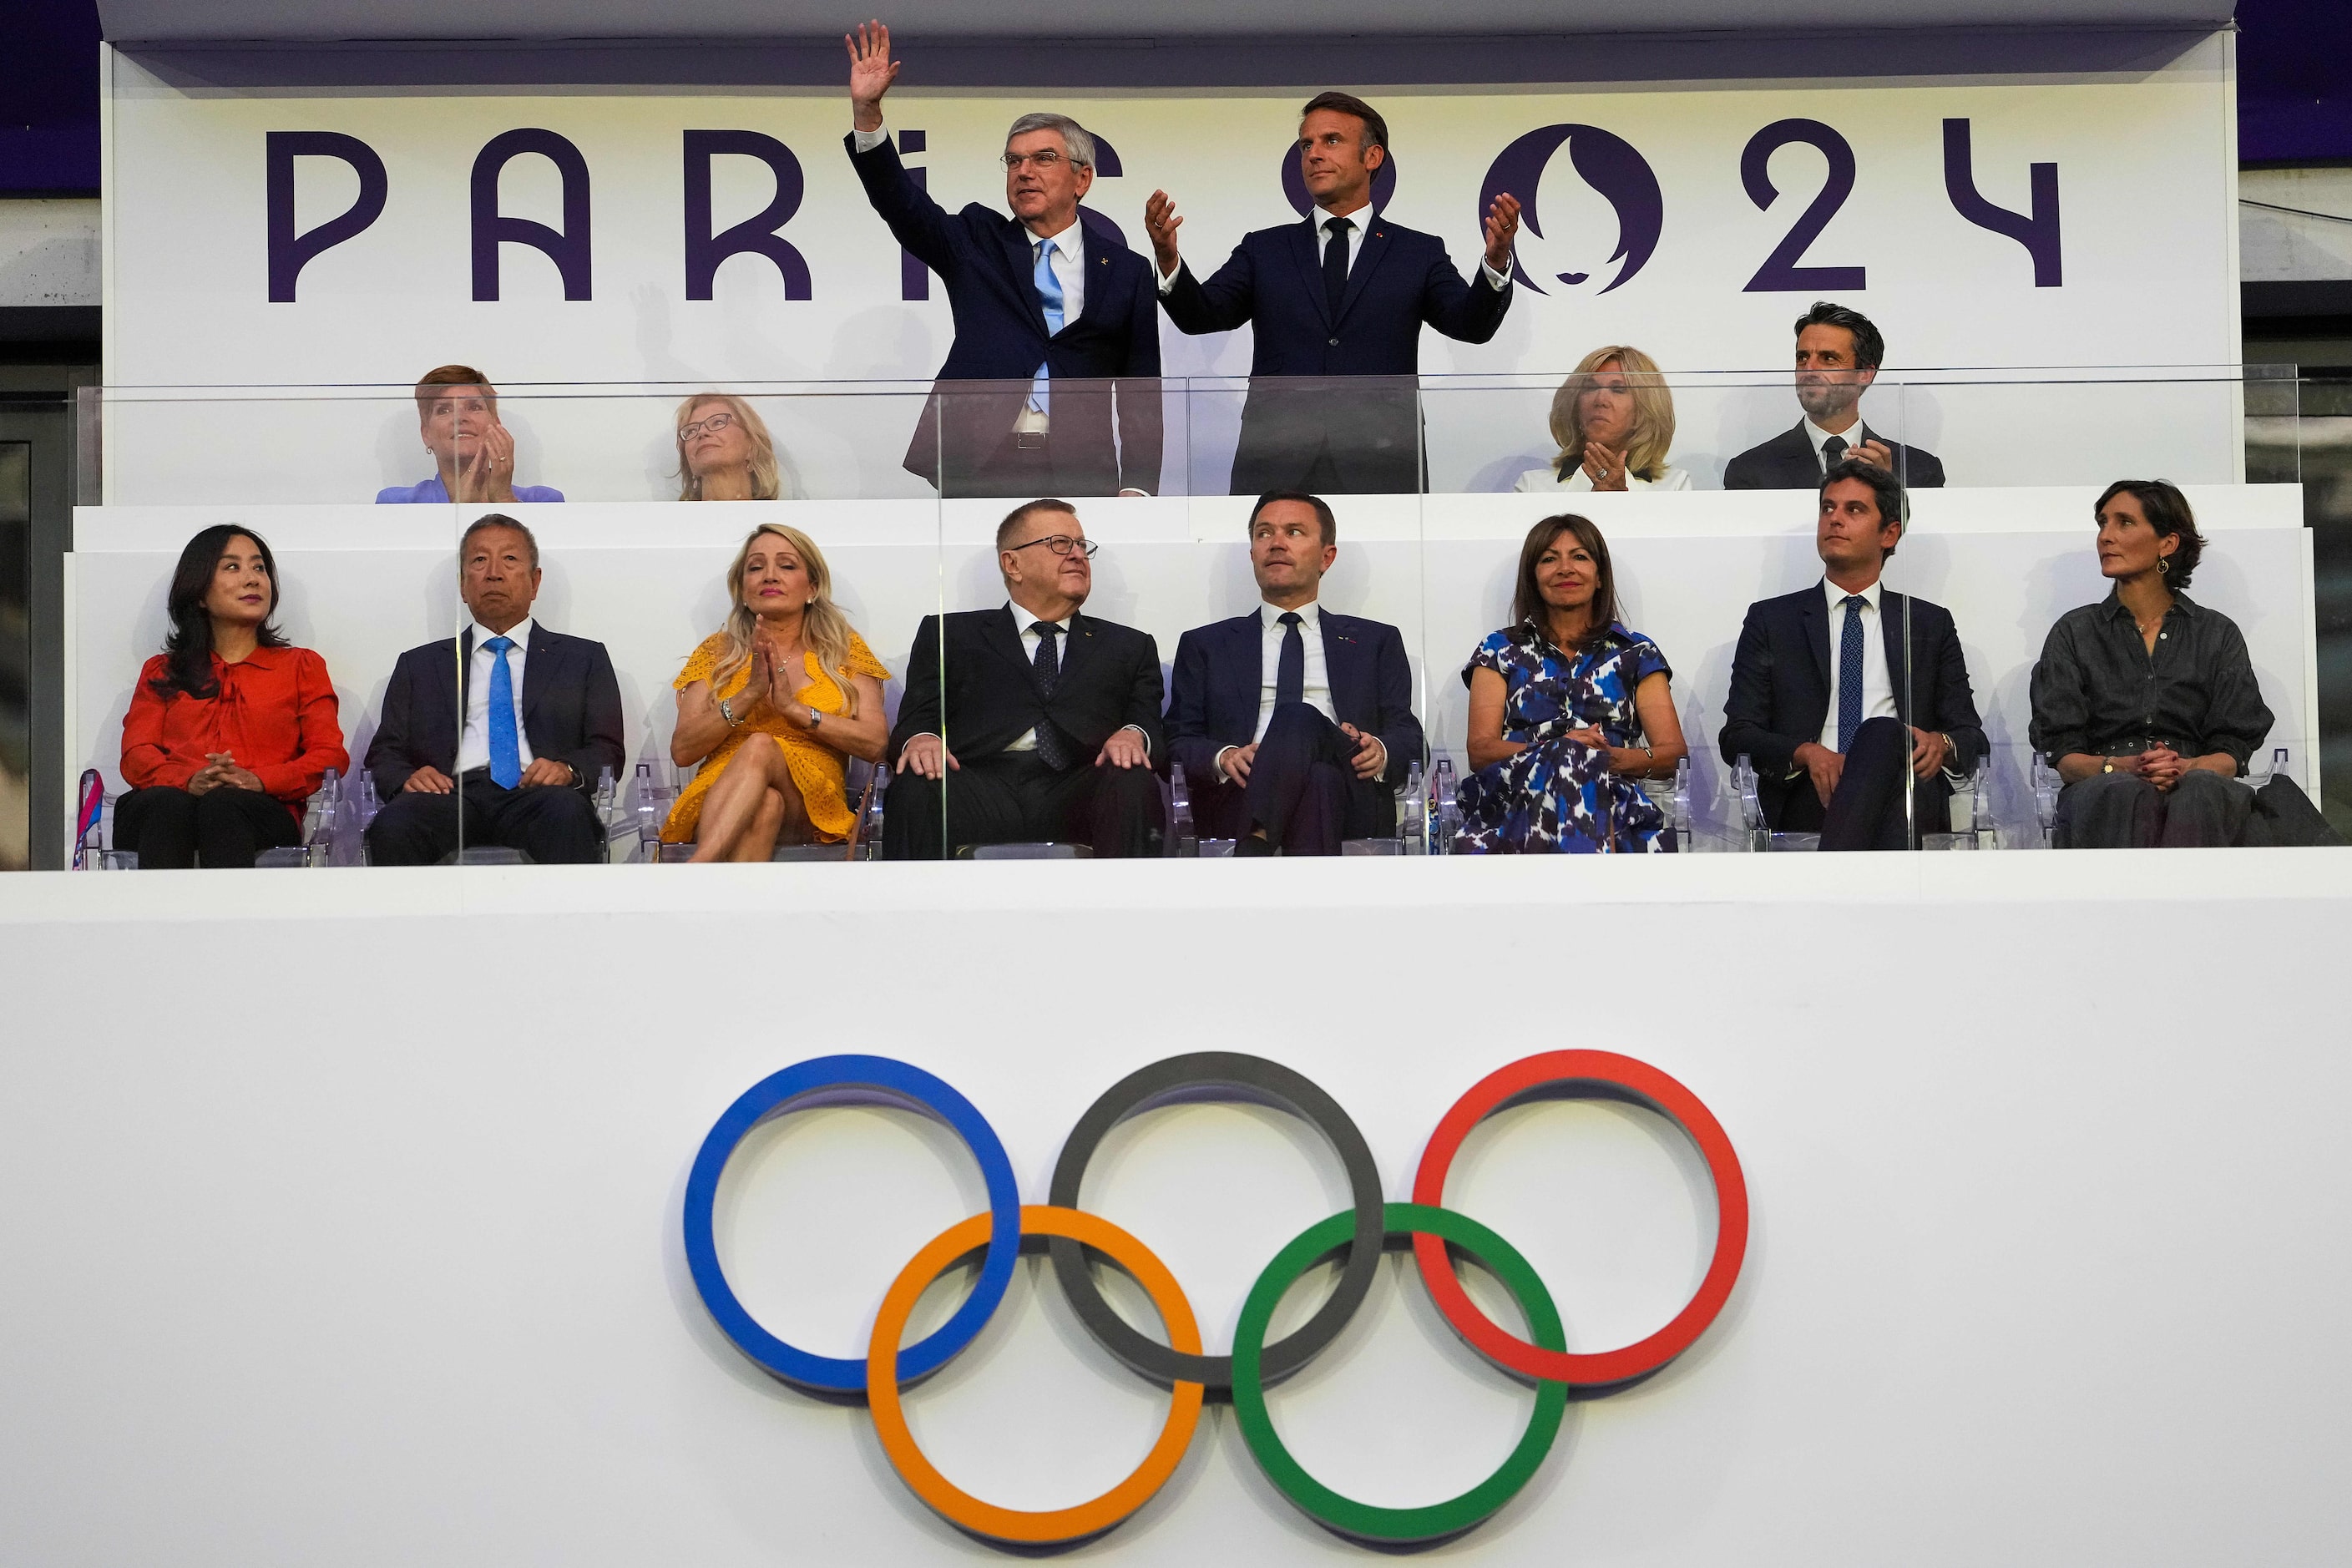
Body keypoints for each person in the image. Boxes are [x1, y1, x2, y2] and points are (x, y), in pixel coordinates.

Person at [1146, 92, 1521, 495]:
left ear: (1372, 157)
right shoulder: (1264, 249)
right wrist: (1168, 258)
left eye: (1332, 141)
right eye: (1306, 144)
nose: (1313, 154)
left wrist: (1496, 261)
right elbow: (1201, 316)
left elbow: (1471, 325)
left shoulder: (1417, 252)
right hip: (1276, 460)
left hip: (1383, 461)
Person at [844, 23, 1162, 498]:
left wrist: (1137, 487)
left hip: (1081, 471)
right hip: (977, 459)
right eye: (1014, 162)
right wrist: (868, 115)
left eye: (1043, 158)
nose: (1025, 172)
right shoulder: (976, 239)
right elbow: (902, 205)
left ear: (1083, 179)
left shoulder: (1127, 271)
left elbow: (1141, 391)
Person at [1718, 460, 1985, 849]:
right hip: (1811, 791)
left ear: (1889, 533)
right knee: (1882, 746)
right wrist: (1807, 753)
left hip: (1908, 787)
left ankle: (1836, 870)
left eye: (1854, 510)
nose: (1834, 520)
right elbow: (1737, 736)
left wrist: (1940, 744)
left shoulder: (1928, 624)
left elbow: (1970, 736)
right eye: (1828, 508)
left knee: (1881, 737)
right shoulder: (1773, 621)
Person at [883, 498, 1166, 859]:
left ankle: (1131, 913)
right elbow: (915, 722)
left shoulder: (1129, 646)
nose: (1077, 555)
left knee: (1132, 779)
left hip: (1082, 785)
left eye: (1082, 545)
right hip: (975, 784)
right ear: (1012, 563)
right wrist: (921, 740)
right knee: (919, 780)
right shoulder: (950, 634)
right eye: (1060, 544)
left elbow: (1151, 729)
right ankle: (915, 913)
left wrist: (1133, 734)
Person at [1166, 491, 1423, 855]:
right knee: (1318, 779)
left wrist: (1378, 749)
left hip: (1355, 795)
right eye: (1264, 533)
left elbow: (1410, 737)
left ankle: (1254, 847)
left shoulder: (1375, 641)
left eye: (1295, 532)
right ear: (1252, 553)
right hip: (1242, 793)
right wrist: (1223, 757)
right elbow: (1177, 740)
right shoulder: (1206, 645)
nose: (1276, 544)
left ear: (1326, 556)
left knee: (1299, 716)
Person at [363, 514, 622, 865]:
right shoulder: (420, 664)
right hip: (447, 794)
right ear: (463, 585)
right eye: (480, 560)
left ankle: (570, 920)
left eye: (510, 559)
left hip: (539, 794)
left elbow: (606, 748)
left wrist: (568, 769)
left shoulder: (583, 658)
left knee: (567, 813)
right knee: (395, 823)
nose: (494, 573)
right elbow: (385, 752)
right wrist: (408, 777)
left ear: (535, 582)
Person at [2029, 480, 2274, 848]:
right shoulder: (2074, 632)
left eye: (2124, 522)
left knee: (2202, 790)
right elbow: (2065, 757)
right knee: (2124, 793)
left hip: (2199, 783)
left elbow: (2233, 748)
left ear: (2168, 543)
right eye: (2102, 523)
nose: (2105, 537)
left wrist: (2186, 767)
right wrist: (2122, 766)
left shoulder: (2216, 633)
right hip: (2104, 786)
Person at [116, 525, 348, 867]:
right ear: (198, 592)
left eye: (259, 568)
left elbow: (329, 755)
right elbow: (137, 754)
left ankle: (227, 919)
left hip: (259, 810)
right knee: (169, 804)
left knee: (225, 804)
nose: (253, 579)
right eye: (232, 567)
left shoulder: (302, 666)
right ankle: (160, 917)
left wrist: (259, 780)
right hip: (162, 806)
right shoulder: (162, 670)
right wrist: (187, 781)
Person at [1454, 514, 1688, 852]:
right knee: (1568, 758)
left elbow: (1673, 755)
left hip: (1612, 798)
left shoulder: (1636, 652)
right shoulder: (1499, 649)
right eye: (1549, 559)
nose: (1565, 568)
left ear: (1599, 577)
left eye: (1579, 557)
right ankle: (1587, 891)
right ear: (1533, 578)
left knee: (1578, 769)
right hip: (1516, 799)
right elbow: (1480, 751)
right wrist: (1562, 751)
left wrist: (1607, 758)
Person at [661, 526, 891, 861]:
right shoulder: (717, 652)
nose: (769, 576)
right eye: (755, 567)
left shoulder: (843, 650)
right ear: (742, 588)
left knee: (761, 744)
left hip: (811, 805)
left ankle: (692, 872)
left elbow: (875, 744)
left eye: (786, 565)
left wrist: (794, 710)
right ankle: (721, 897)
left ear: (812, 587)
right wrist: (749, 693)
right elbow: (682, 751)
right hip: (719, 795)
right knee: (766, 806)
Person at [1723, 303, 1945, 491]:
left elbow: (1920, 541)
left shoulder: (1919, 472)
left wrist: (1886, 492)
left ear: (1865, 374)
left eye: (1828, 358)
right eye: (1802, 357)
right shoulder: (1751, 471)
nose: (1809, 369)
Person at [377, 365, 565, 504]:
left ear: (496, 423)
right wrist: (459, 511)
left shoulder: (544, 502)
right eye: (444, 410)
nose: (460, 418)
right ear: (426, 434)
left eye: (474, 407)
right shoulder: (395, 503)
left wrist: (504, 499)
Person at [1514, 346, 1692, 493]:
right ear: (1575, 407)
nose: (1600, 400)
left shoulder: (1674, 487)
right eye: (1591, 387)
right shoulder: (1533, 486)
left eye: (1618, 389)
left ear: (1643, 412)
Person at [674, 393, 792, 501]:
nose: (701, 432)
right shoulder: (672, 522)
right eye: (691, 431)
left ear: (751, 446)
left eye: (718, 422)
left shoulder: (781, 518)